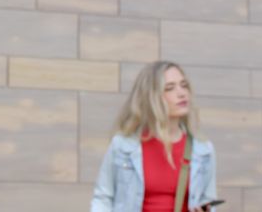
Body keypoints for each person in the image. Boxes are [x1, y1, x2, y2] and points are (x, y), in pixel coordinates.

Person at [91, 61, 218, 212]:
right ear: (151, 96)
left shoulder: (203, 150)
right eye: (170, 88)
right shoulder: (123, 146)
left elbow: (208, 202)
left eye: (184, 85)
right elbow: (103, 198)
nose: (182, 93)